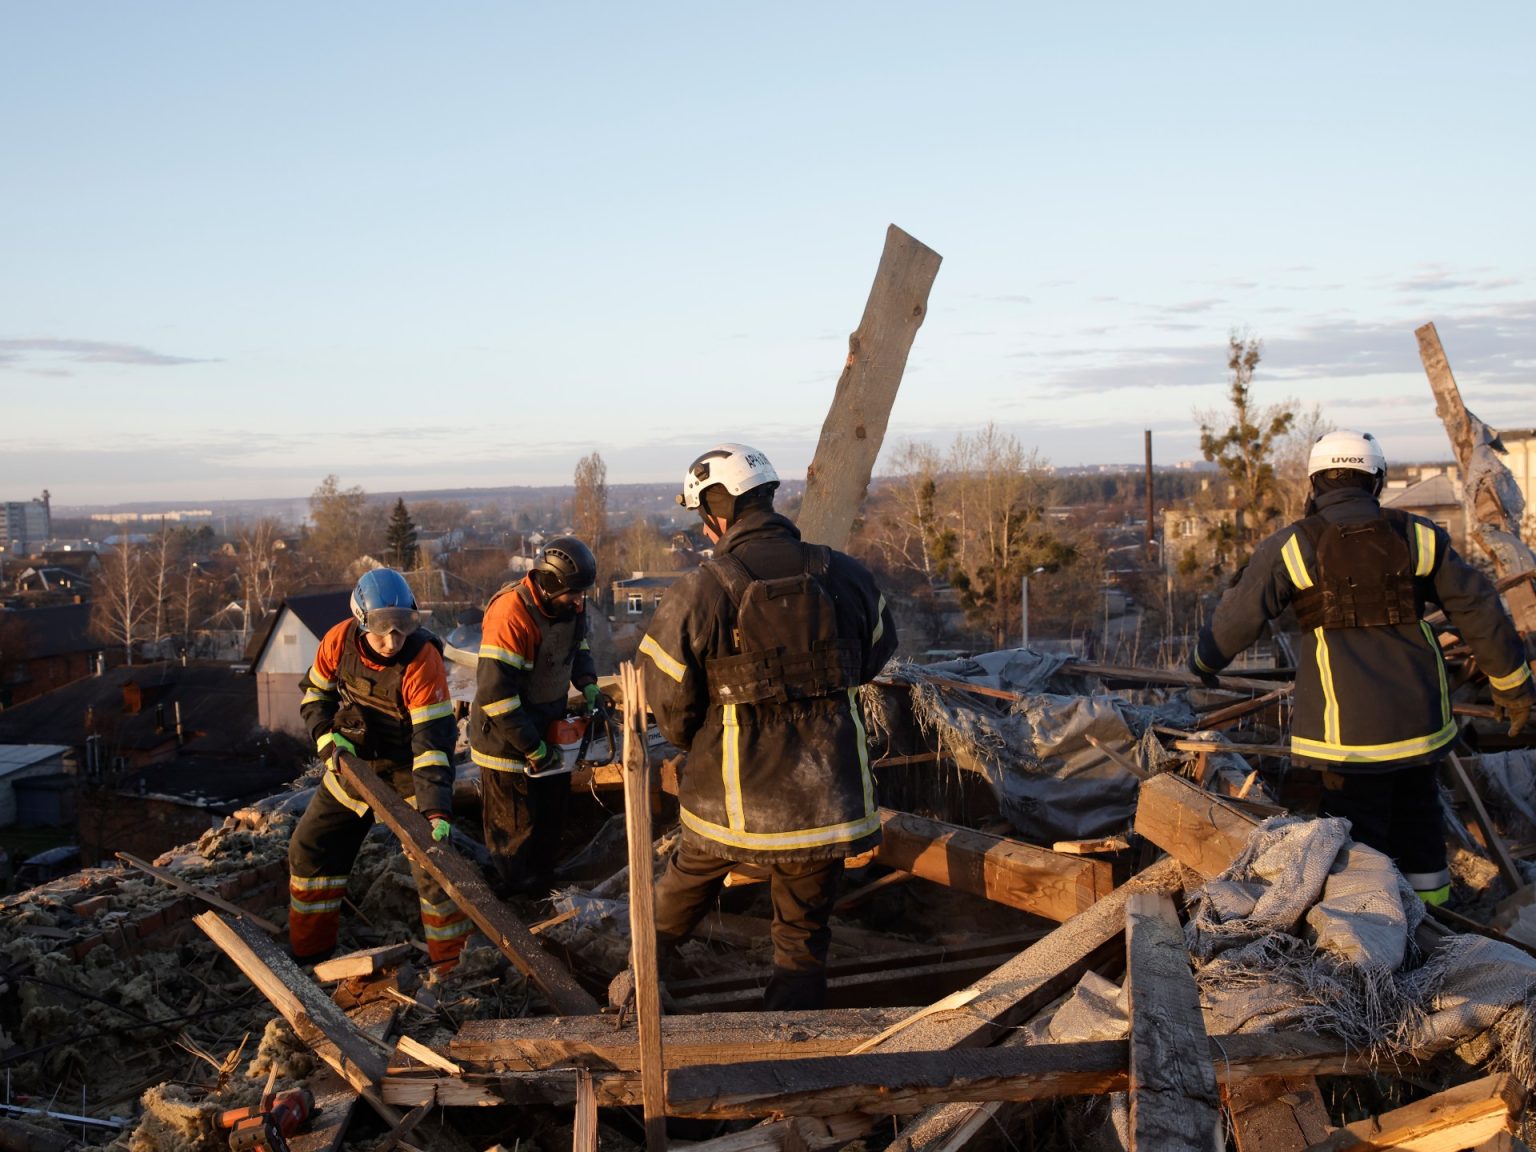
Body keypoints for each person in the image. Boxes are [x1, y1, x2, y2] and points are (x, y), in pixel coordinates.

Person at [1189, 430, 1534, 904]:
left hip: (1345, 737)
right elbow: (1478, 607)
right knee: (1419, 823)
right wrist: (1513, 685)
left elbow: (1237, 617)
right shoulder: (1418, 536)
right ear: (1377, 481)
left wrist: (1204, 661)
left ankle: (1374, 931)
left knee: (1358, 841)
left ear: (1315, 484)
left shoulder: (1294, 546)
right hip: (1420, 726)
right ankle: (1435, 922)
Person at [638, 442, 898, 1009]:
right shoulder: (846, 574)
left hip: (729, 803)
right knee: (803, 940)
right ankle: (788, 1052)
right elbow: (877, 655)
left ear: (716, 512)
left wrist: (700, 744)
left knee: (679, 896)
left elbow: (666, 698)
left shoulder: (702, 590)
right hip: (824, 802)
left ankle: (636, 989)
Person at [288, 568, 472, 969]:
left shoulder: (422, 659)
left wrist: (436, 810)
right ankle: (310, 955)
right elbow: (315, 694)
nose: (393, 641)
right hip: (353, 764)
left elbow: (432, 745)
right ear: (361, 622)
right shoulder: (338, 641)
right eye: (383, 631)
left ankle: (454, 968)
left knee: (434, 866)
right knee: (309, 849)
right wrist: (325, 738)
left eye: (402, 628)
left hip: (409, 772)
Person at [470, 536, 601, 895]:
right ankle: (514, 908)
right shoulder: (510, 614)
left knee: (551, 818)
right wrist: (532, 748)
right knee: (514, 830)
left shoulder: (571, 604)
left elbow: (579, 645)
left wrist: (587, 681)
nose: (580, 601)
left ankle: (544, 890)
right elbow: (496, 696)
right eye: (574, 593)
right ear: (551, 583)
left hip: (548, 726)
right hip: (506, 740)